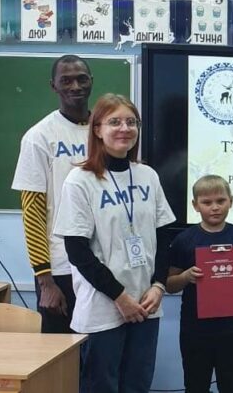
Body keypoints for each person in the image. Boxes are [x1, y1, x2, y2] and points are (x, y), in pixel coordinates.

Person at [54, 94, 176, 393]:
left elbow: (164, 238)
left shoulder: (147, 176)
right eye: (115, 122)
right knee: (101, 386)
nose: (125, 128)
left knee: (137, 385)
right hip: (103, 308)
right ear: (97, 129)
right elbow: (77, 252)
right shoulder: (80, 180)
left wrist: (159, 286)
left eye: (131, 122)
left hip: (146, 304)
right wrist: (120, 298)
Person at [11, 54, 93, 333]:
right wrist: (45, 281)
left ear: (91, 81)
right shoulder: (39, 137)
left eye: (81, 79)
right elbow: (32, 212)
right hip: (60, 268)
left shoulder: (107, 130)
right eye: (66, 80)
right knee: (62, 354)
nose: (75, 86)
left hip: (103, 266)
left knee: (99, 355)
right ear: (53, 86)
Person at [167, 175, 233, 393]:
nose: (215, 207)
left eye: (220, 201)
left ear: (231, 201)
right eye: (207, 202)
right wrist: (186, 276)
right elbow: (170, 285)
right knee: (196, 386)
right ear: (195, 205)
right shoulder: (184, 240)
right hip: (195, 330)